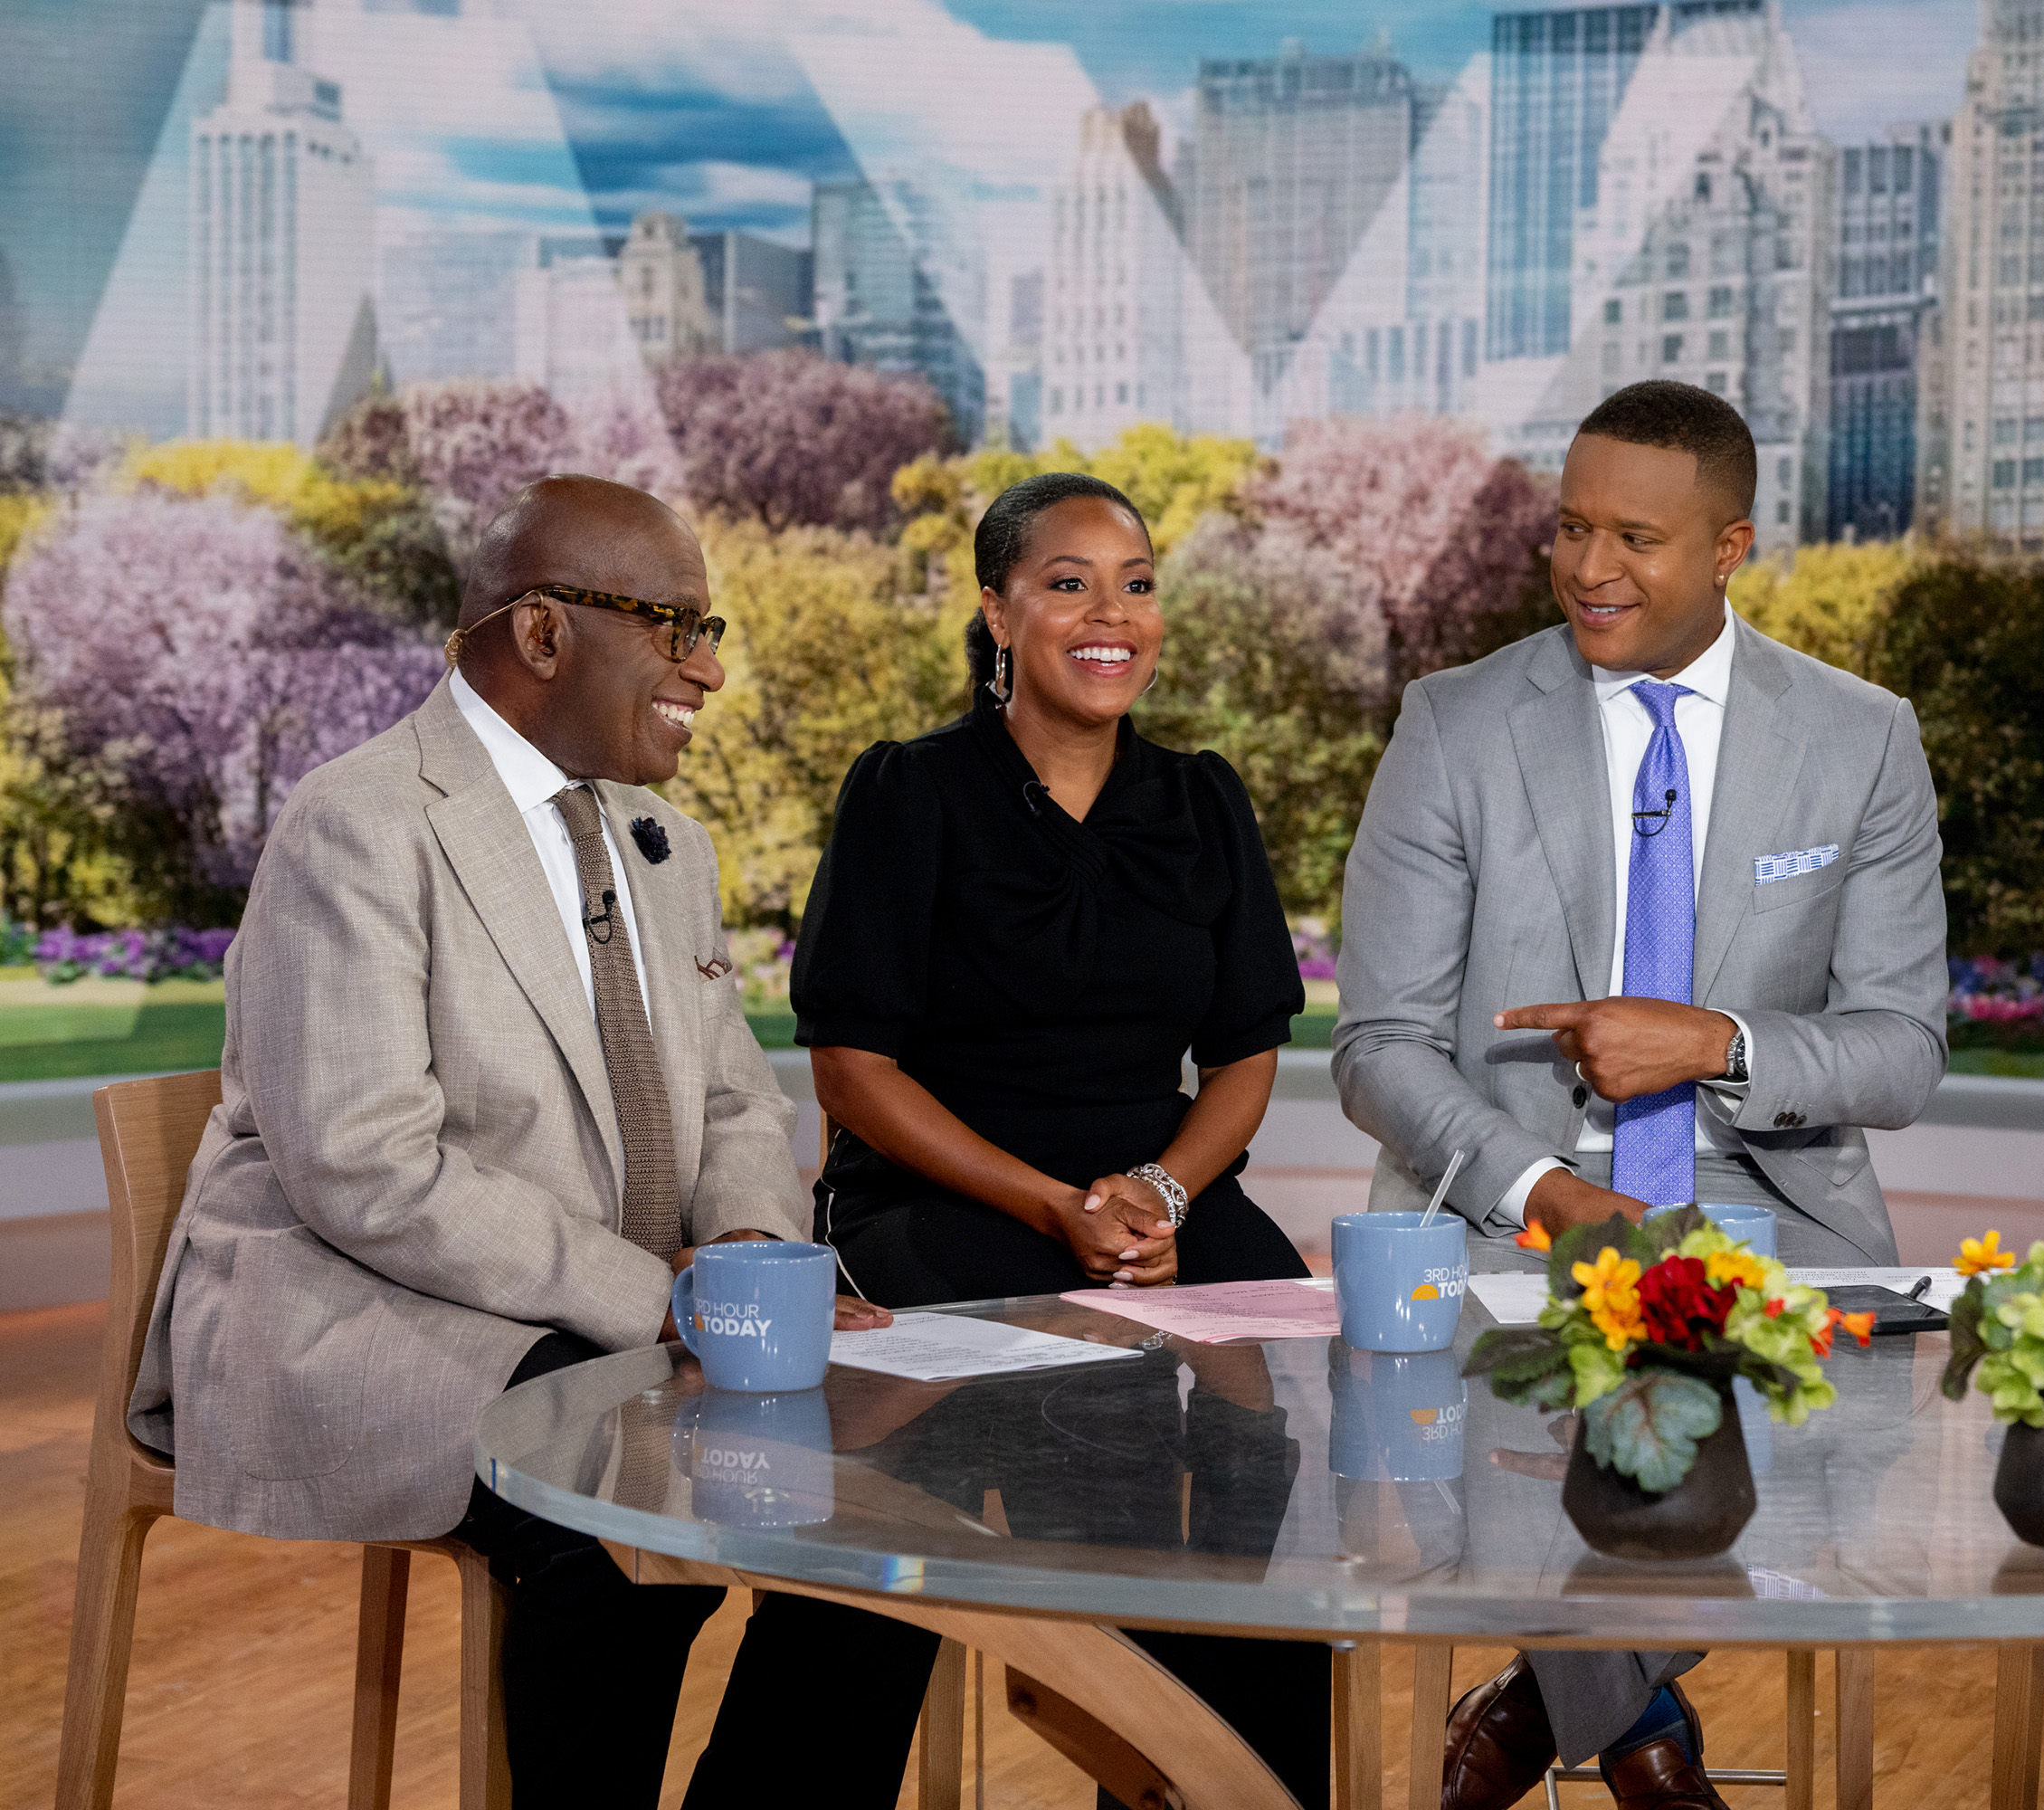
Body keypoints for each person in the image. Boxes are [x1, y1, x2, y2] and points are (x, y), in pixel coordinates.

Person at [128, 476, 925, 1810]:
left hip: (604, 1307)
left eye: (709, 628)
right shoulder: (360, 821)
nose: (710, 669)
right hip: (366, 1310)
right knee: (615, 1506)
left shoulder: (669, 844)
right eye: (675, 628)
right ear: (545, 635)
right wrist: (658, 1299)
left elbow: (735, 1102)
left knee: (889, 1492)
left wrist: (741, 1253)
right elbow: (364, 1162)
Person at [1332, 381, 1949, 1810]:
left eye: (1635, 539)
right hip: (1518, 1213)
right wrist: (1552, 1197)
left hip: (1771, 1214)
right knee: (1548, 1449)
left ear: (1732, 546)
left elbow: (1900, 1048)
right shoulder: (1455, 725)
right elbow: (1379, 1046)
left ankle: (1545, 1702)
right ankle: (1650, 1750)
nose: (1589, 570)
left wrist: (1714, 1043)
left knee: (1761, 1465)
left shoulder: (1861, 738)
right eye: (1569, 529)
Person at [788, 471, 1326, 1805]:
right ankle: (1104, 1708)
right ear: (998, 611)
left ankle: (1223, 1771)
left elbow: (1250, 1052)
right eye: (1068, 583)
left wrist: (1158, 1189)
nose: (1113, 615)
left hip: (1164, 1200)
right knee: (1073, 1427)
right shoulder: (910, 793)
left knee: (1283, 1443)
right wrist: (1055, 1209)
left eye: (1137, 585)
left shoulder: (1202, 800)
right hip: (943, 1196)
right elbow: (853, 1072)